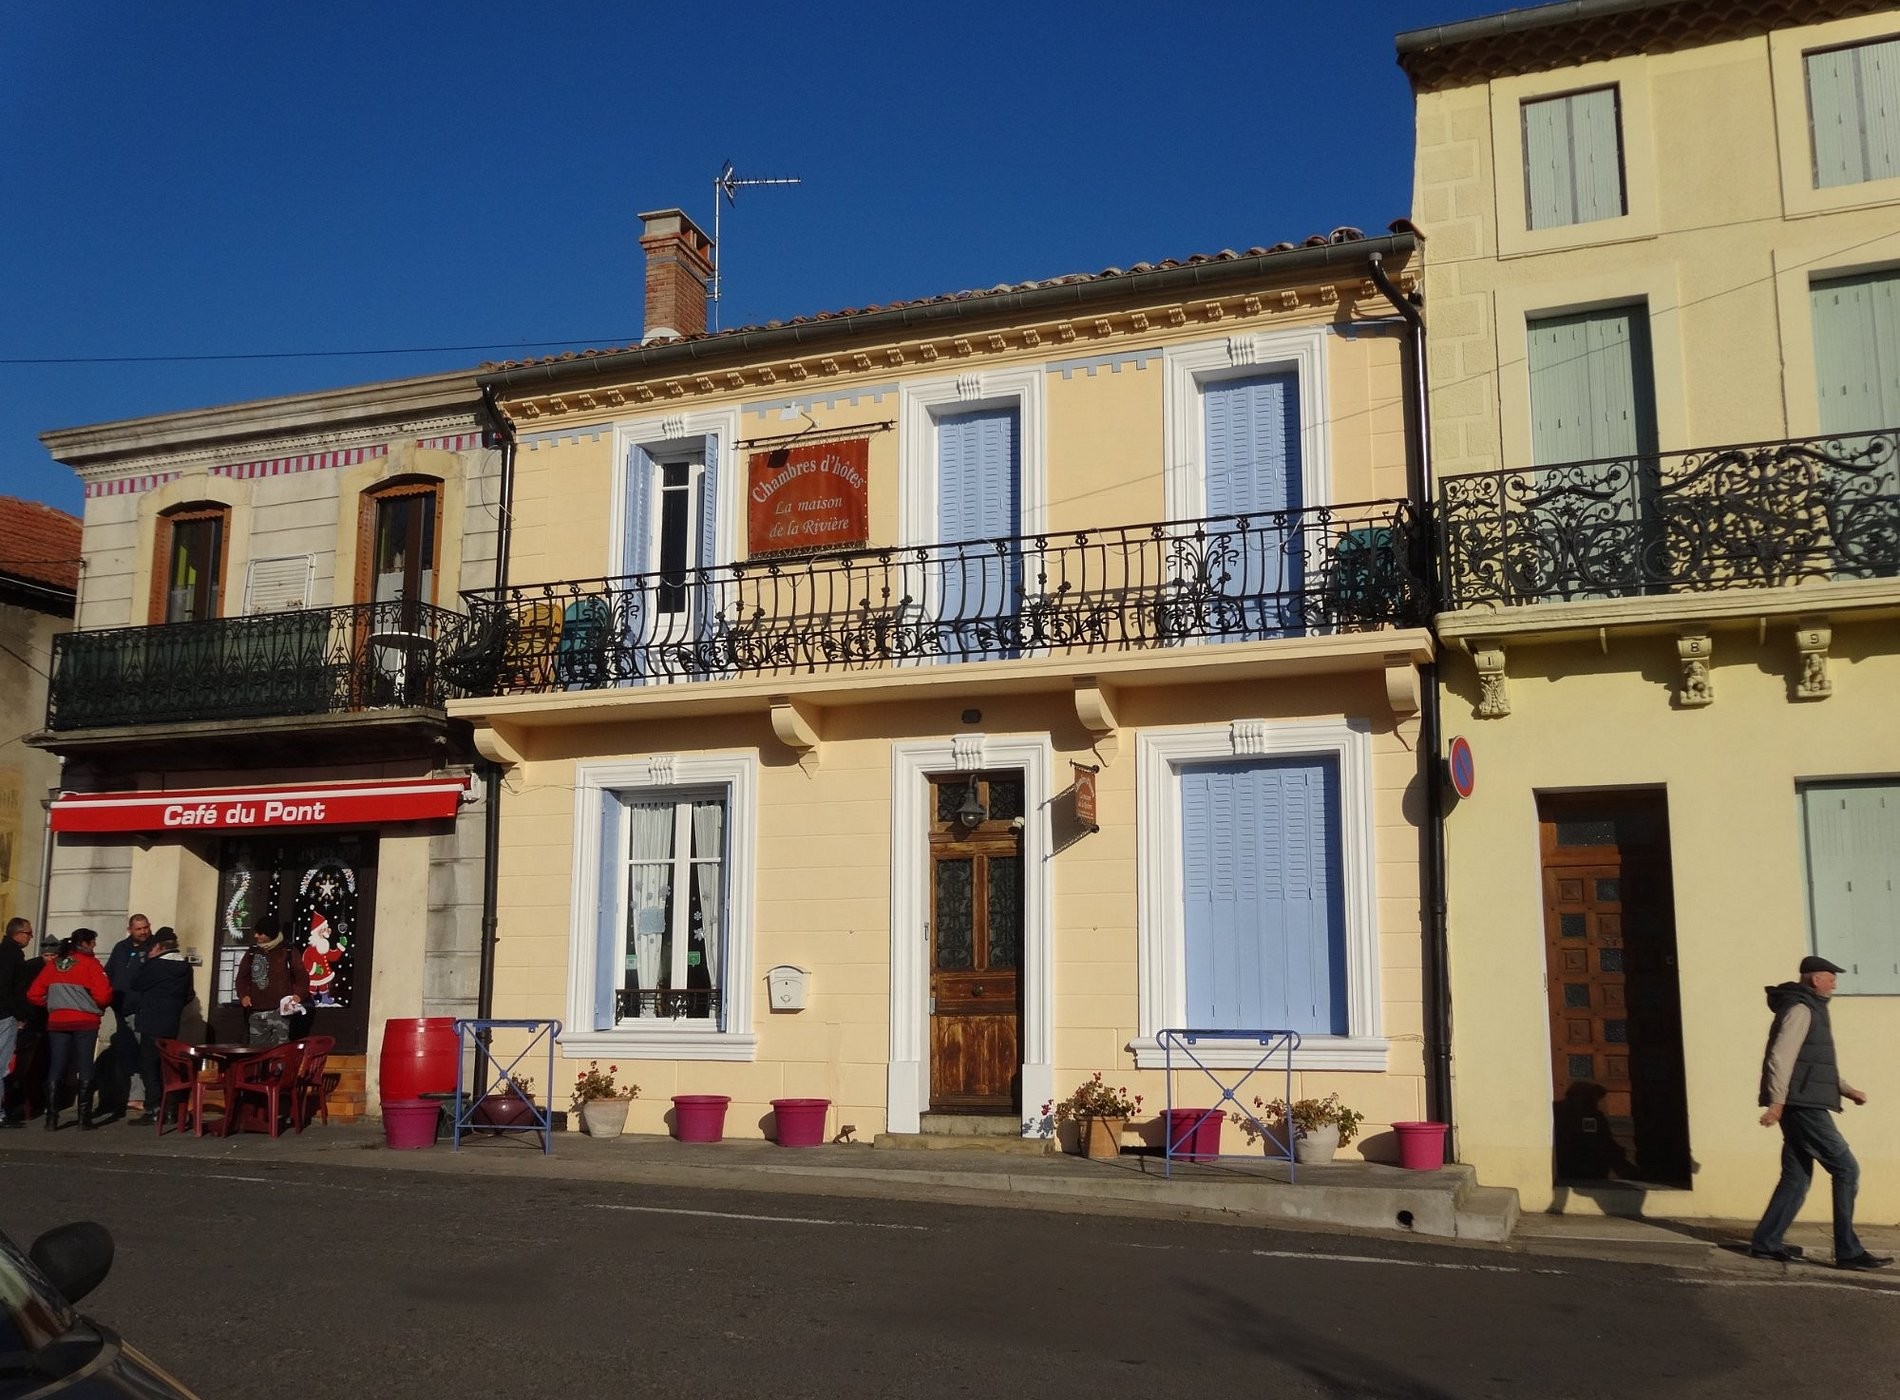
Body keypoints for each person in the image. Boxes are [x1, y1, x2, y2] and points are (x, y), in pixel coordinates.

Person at [1750, 954, 1893, 1270]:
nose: (1835, 983)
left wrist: (1845, 1089)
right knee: (1846, 1169)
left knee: (1796, 1177)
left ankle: (1766, 1242)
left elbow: (1814, 1064)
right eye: (1831, 977)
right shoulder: (1800, 1009)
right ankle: (1848, 1250)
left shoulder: (1810, 1008)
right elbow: (1781, 1057)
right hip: (1803, 1106)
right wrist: (1777, 1102)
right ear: (1815, 979)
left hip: (1804, 1101)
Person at [26, 929, 113, 1131]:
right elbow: (104, 995)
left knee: (56, 1065)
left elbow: (33, 994)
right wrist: (91, 1004)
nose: (95, 947)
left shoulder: (55, 964)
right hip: (85, 1021)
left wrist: (52, 1003)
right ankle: (84, 1119)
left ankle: (51, 1118)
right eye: (93, 943)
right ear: (87, 943)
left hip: (57, 1021)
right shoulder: (91, 964)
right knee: (85, 1067)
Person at [124, 927, 192, 1126]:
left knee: (149, 1066)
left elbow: (136, 982)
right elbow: (189, 995)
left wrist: (148, 960)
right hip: (171, 1023)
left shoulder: (155, 965)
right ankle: (171, 1108)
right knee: (168, 1067)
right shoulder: (185, 967)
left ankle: (154, 1108)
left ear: (159, 946)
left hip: (151, 1021)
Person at [103, 913, 154, 1117]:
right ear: (130, 929)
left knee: (145, 1053)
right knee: (127, 1053)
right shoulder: (120, 948)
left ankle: (145, 1096)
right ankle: (133, 1096)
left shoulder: (153, 947)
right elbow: (110, 973)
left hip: (142, 1010)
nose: (143, 932)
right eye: (138, 928)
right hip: (121, 1009)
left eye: (145, 927)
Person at [237, 919, 309, 1047]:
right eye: (256, 932)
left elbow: (301, 976)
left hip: (280, 1011)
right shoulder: (252, 952)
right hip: (256, 1011)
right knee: (256, 1051)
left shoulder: (288, 950)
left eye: (260, 933)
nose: (256, 936)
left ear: (270, 934)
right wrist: (244, 995)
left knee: (279, 1050)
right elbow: (242, 978)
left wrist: (298, 995)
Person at [0, 917, 35, 1128]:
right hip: (5, 1015)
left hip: (5, 1011)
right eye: (28, 933)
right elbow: (9, 989)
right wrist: (20, 1014)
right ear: (18, 934)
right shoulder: (12, 955)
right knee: (2, 1064)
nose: (30, 937)